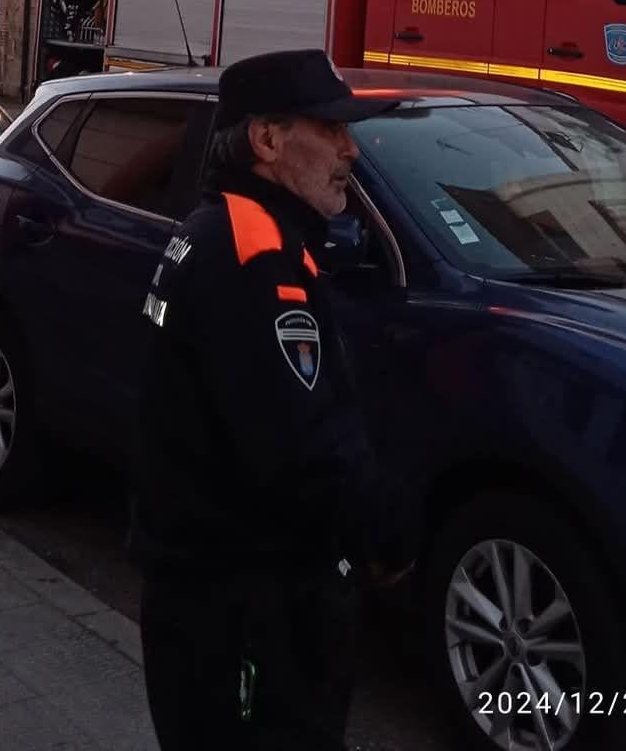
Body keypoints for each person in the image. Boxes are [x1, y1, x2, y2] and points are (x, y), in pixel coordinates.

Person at [133, 48, 412, 751]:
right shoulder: (255, 257)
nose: (351, 148)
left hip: (214, 596)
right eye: (330, 130)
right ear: (266, 140)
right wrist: (382, 539)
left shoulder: (223, 231)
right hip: (248, 609)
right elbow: (302, 444)